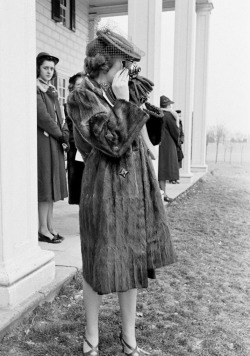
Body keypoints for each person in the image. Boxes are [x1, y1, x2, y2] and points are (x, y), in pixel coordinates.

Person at [67, 28, 176, 356]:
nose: (127, 72)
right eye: (122, 65)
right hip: (103, 192)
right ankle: (91, 338)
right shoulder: (80, 95)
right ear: (103, 64)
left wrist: (143, 107)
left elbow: (148, 138)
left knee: (132, 262)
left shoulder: (118, 91)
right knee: (98, 264)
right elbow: (112, 143)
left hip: (134, 190)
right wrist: (125, 102)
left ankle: (130, 342)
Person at [37, 52, 69, 243]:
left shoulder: (52, 90)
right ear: (38, 68)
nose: (49, 71)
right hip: (44, 141)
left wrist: (63, 133)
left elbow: (60, 116)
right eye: (45, 68)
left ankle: (49, 226)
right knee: (45, 186)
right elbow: (43, 117)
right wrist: (60, 134)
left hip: (55, 141)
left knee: (52, 185)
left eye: (51, 68)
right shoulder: (35, 89)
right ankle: (42, 229)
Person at [64, 72, 92, 205]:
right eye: (79, 85)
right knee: (80, 189)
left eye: (84, 85)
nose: (82, 88)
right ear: (73, 87)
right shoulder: (70, 105)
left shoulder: (90, 103)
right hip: (77, 150)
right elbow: (73, 128)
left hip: (90, 150)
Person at [158, 95, 180, 201]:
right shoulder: (169, 115)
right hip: (167, 145)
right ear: (167, 104)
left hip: (159, 144)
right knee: (163, 172)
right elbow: (175, 131)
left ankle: (162, 194)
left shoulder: (158, 114)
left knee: (160, 171)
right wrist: (178, 141)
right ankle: (163, 195)